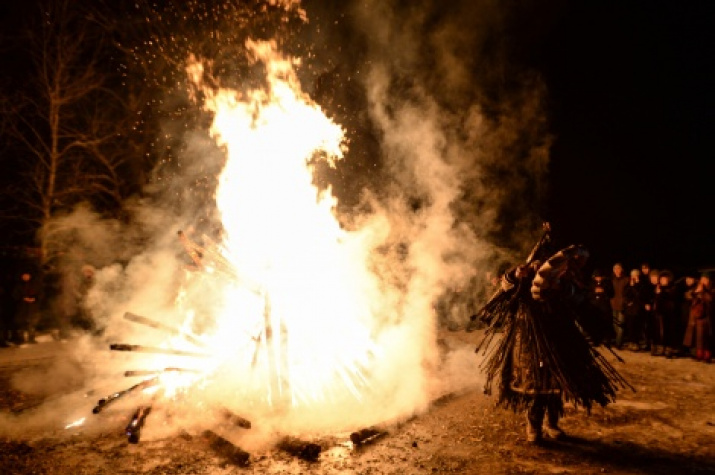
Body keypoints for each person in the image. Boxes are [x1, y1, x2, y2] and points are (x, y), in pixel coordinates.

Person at [475, 225, 629, 444]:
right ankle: (534, 425)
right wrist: (516, 276)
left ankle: (552, 423)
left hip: (559, 334)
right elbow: (505, 289)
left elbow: (578, 300)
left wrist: (564, 289)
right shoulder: (522, 276)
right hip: (530, 338)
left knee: (557, 384)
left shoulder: (566, 280)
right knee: (535, 385)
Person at [683, 272, 712, 363]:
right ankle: (699, 353)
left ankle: (707, 355)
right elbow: (688, 296)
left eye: (705, 279)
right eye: (702, 279)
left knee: (707, 337)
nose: (703, 281)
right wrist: (696, 293)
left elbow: (710, 299)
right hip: (698, 316)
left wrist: (703, 293)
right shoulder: (697, 288)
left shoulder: (711, 289)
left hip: (708, 317)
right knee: (699, 336)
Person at [12, 271, 42, 344]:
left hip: (32, 307)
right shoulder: (18, 285)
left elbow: (40, 294)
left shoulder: (34, 285)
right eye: (24, 275)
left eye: (27, 275)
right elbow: (15, 295)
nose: (26, 277)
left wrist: (34, 299)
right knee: (21, 324)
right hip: (22, 308)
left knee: (32, 323)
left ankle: (31, 338)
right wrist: (23, 298)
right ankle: (21, 339)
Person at [652, 270, 677, 357]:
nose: (662, 281)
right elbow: (657, 300)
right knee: (660, 331)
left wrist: (660, 293)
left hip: (669, 314)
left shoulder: (672, 288)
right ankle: (660, 347)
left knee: (669, 331)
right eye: (661, 279)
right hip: (660, 313)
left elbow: (670, 297)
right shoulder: (658, 288)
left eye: (664, 279)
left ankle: (668, 348)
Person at [622, 269, 644, 351]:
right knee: (630, 326)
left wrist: (634, 286)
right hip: (629, 309)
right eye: (632, 275)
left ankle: (636, 342)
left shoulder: (641, 285)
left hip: (637, 309)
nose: (634, 277)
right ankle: (631, 342)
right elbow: (625, 294)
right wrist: (627, 302)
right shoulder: (628, 284)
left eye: (635, 275)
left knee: (637, 327)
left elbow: (638, 295)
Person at [610, 263, 629, 349]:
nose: (617, 270)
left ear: (622, 270)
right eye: (615, 269)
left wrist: (625, 301)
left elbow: (628, 292)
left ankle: (618, 343)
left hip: (622, 305)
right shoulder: (611, 280)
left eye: (618, 268)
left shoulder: (626, 280)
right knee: (615, 324)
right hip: (613, 304)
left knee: (621, 324)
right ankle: (618, 340)